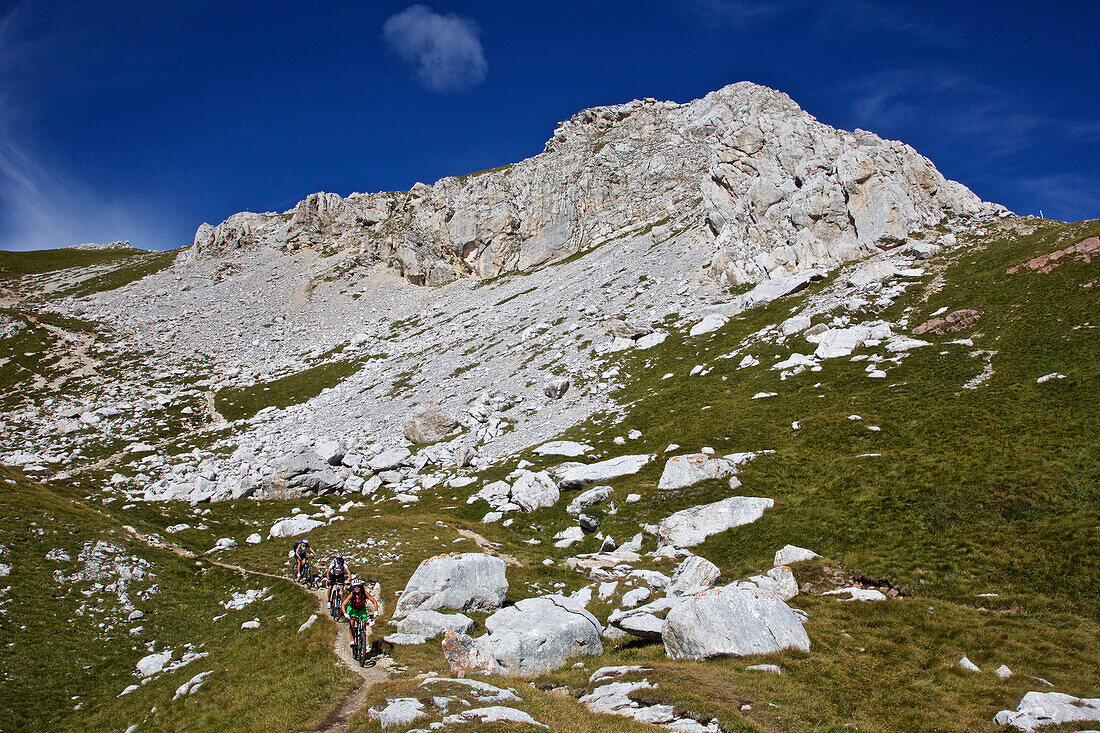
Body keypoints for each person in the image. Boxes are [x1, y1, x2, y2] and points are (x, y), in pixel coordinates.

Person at [341, 579, 379, 651]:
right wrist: (345, 614)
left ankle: (362, 636)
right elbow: (343, 604)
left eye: (358, 586)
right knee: (352, 622)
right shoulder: (352, 594)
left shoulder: (364, 593)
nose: (357, 588)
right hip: (352, 608)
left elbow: (374, 601)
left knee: (364, 622)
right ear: (353, 588)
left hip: (361, 608)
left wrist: (376, 611)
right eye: (355, 587)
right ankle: (352, 640)